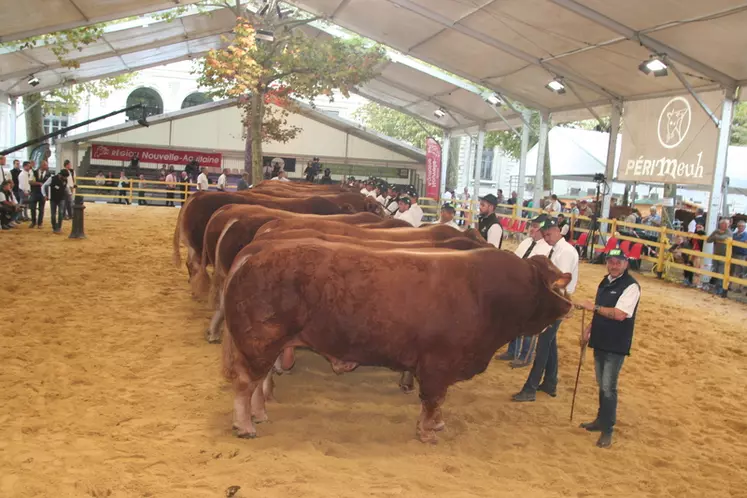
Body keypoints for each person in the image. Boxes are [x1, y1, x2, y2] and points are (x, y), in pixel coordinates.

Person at [578, 248, 641, 448]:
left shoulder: (631, 286)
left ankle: (608, 429)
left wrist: (592, 308)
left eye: (618, 262)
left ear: (626, 264)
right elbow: (600, 308)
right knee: (601, 383)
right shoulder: (605, 281)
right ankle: (600, 420)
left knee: (608, 387)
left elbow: (621, 314)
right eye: (611, 261)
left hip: (616, 342)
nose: (614, 265)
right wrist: (589, 328)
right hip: (600, 338)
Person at [513, 218, 579, 402]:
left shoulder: (565, 252)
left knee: (543, 344)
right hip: (554, 299)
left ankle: (530, 388)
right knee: (549, 343)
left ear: (558, 231)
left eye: (549, 234)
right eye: (545, 234)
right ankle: (550, 382)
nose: (546, 237)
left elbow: (559, 282)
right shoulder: (556, 249)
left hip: (556, 301)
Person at [497, 214, 552, 365]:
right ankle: (512, 351)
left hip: (533, 289)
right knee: (514, 320)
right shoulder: (526, 242)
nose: (531, 229)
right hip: (518, 286)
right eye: (531, 226)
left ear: (543, 230)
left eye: (535, 227)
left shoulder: (547, 248)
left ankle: (525, 356)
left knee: (529, 322)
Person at [707, 218, 732, 297]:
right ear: (721, 224)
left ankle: (720, 289)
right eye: (724, 224)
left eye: (727, 224)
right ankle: (714, 288)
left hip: (725, 256)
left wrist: (715, 236)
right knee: (715, 271)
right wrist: (716, 236)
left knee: (721, 272)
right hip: (716, 254)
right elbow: (708, 240)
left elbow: (723, 237)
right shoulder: (717, 231)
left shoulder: (729, 232)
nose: (726, 225)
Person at [42, 169, 70, 234]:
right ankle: (54, 227)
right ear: (60, 175)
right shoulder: (52, 178)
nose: (65, 178)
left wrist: (69, 194)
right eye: (64, 177)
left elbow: (66, 188)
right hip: (53, 198)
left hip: (61, 198)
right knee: (53, 214)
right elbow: (44, 186)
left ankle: (59, 227)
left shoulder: (65, 180)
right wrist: (44, 195)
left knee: (61, 213)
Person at [30, 161, 51, 228]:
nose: (46, 166)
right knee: (32, 208)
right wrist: (39, 183)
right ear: (41, 165)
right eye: (45, 165)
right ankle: (33, 222)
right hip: (34, 192)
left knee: (41, 209)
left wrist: (47, 195)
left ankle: (40, 223)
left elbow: (49, 185)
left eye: (46, 165)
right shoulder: (34, 172)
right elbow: (30, 182)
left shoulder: (48, 174)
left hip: (43, 194)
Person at [732, 220, 747, 293]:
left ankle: (740, 287)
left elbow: (740, 241)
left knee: (740, 271)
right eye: (739, 226)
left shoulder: (745, 234)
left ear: (744, 227)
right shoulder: (734, 234)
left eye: (742, 226)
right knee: (731, 270)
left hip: (741, 254)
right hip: (733, 252)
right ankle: (728, 285)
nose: (740, 227)